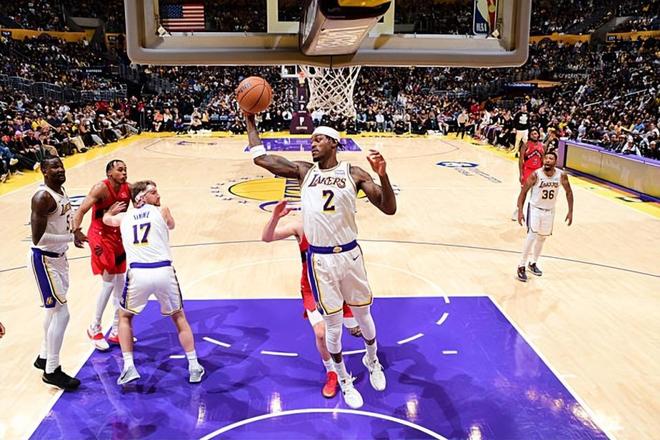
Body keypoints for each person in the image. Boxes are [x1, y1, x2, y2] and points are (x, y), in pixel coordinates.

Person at [245, 113, 396, 409]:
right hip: (320, 261)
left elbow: (389, 208)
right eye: (311, 140)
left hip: (350, 254)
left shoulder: (354, 173)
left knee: (364, 316)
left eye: (318, 139)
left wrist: (383, 175)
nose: (312, 144)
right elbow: (261, 159)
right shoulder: (304, 171)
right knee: (333, 327)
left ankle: (372, 359)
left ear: (334, 143)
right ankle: (343, 378)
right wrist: (250, 121)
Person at [103, 180, 205, 385]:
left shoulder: (124, 217)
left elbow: (106, 220)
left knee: (124, 317)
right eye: (153, 192)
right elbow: (172, 225)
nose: (158, 196)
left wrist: (110, 211)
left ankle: (129, 367)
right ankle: (194, 365)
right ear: (141, 197)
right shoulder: (162, 211)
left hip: (138, 274)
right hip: (163, 271)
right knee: (179, 317)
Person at [262, 200, 363, 398]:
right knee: (321, 334)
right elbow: (266, 237)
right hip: (312, 288)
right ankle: (332, 373)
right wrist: (275, 217)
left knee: (356, 329)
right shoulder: (300, 227)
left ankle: (371, 356)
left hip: (339, 285)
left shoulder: (337, 227)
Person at [29, 157, 84, 390]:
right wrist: (72, 237)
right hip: (45, 260)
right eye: (54, 167)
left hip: (59, 258)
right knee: (62, 314)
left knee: (53, 311)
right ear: (44, 170)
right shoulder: (42, 197)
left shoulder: (60, 190)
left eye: (61, 165)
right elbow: (38, 238)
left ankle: (43, 356)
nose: (60, 169)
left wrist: (73, 230)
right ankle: (52, 370)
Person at [72, 159, 131, 351]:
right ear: (109, 173)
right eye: (120, 170)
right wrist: (76, 230)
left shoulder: (128, 188)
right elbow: (81, 210)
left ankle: (116, 329)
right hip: (99, 236)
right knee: (109, 281)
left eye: (125, 169)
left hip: (117, 236)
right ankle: (94, 327)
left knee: (121, 282)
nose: (124, 173)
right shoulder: (100, 188)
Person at [516, 151, 574, 282]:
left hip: (550, 210)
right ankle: (521, 265)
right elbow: (523, 192)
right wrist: (520, 211)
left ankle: (533, 263)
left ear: (555, 161)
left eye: (551, 158)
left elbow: (569, 192)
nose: (547, 160)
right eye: (546, 158)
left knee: (542, 238)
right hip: (535, 209)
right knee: (531, 236)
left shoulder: (561, 175)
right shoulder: (536, 174)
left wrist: (570, 211)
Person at [512, 127, 545, 221]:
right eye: (532, 134)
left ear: (538, 134)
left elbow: (543, 160)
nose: (534, 135)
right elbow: (521, 160)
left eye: (536, 133)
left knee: (536, 193)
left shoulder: (542, 146)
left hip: (538, 171)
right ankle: (518, 210)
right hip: (527, 170)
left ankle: (534, 213)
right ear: (530, 135)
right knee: (523, 192)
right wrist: (521, 174)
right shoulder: (525, 145)